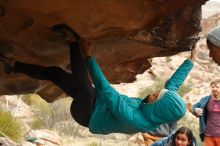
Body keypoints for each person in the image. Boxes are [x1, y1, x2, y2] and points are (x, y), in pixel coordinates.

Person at [0, 24, 194, 134]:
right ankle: (12, 65)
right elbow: (172, 85)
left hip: (87, 115)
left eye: (155, 96)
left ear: (157, 107)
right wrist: (190, 62)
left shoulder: (137, 120)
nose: (152, 93)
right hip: (96, 103)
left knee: (87, 89)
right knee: (56, 74)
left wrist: (88, 57)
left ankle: (74, 43)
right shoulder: (159, 110)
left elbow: (109, 94)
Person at [191, 79, 220, 146]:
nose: (214, 89)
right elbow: (194, 106)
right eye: (213, 87)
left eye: (217, 87)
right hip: (208, 135)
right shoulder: (206, 99)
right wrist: (195, 110)